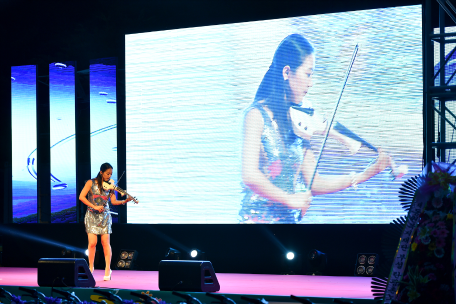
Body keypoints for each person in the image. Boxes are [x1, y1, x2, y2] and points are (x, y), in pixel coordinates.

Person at [240, 34, 394, 223]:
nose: (311, 83)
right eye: (308, 74)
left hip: (289, 226)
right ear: (287, 72)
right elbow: (249, 175)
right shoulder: (256, 115)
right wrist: (290, 199)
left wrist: (366, 174)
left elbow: (314, 182)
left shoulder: (299, 122)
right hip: (256, 226)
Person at [79, 162, 133, 280]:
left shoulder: (110, 186)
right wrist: (94, 207)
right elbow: (81, 197)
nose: (109, 176)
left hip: (105, 216)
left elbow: (113, 202)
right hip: (92, 215)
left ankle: (108, 269)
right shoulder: (90, 183)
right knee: (92, 243)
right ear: (101, 172)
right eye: (108, 174)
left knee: (105, 243)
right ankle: (91, 267)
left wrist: (124, 201)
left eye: (111, 174)